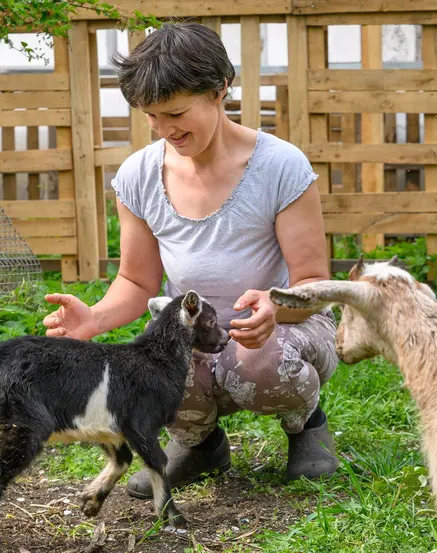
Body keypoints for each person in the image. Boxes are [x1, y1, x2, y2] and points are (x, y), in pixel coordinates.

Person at [40, 22, 340, 498]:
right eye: (151, 117)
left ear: (221, 88)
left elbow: (312, 283)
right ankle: (199, 445)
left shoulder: (280, 166)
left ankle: (306, 426)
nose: (164, 130)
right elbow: (138, 282)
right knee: (147, 370)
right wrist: (94, 318)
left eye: (175, 112)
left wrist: (276, 307)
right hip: (193, 331)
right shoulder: (139, 175)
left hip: (286, 328)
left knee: (252, 365)